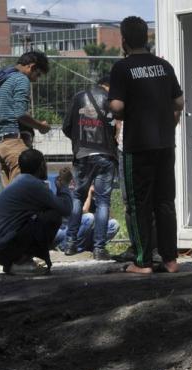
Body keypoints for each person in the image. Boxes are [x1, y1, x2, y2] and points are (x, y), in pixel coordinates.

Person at [108, 15, 184, 275]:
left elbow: (117, 107)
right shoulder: (164, 66)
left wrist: (117, 109)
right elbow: (179, 103)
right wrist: (168, 125)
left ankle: (142, 262)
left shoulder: (122, 68)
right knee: (165, 202)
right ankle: (171, 259)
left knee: (139, 203)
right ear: (147, 37)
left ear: (124, 40)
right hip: (165, 144)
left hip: (137, 146)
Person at [61, 73, 119, 260]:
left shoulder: (79, 97)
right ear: (107, 86)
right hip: (105, 154)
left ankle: (70, 244)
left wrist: (79, 142)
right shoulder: (110, 100)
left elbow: (66, 127)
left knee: (77, 197)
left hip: (83, 155)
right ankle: (99, 249)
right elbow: (114, 128)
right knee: (103, 202)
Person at [0, 149, 69, 275]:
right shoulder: (33, 185)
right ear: (41, 166)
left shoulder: (20, 182)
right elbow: (65, 209)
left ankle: (16, 262)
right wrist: (64, 186)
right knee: (53, 215)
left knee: (41, 217)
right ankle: (21, 261)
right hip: (2, 248)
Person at [0, 51, 51, 186]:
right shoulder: (21, 79)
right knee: (21, 195)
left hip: (2, 146)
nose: (35, 79)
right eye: (37, 74)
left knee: (9, 197)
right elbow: (20, 114)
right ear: (31, 67)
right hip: (15, 145)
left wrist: (2, 113)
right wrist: (41, 126)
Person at [49, 170, 120, 254]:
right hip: (64, 231)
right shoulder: (72, 193)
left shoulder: (93, 196)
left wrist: (101, 199)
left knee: (114, 224)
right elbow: (83, 211)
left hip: (82, 233)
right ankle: (66, 246)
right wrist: (89, 194)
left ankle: (92, 247)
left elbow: (110, 217)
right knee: (88, 218)